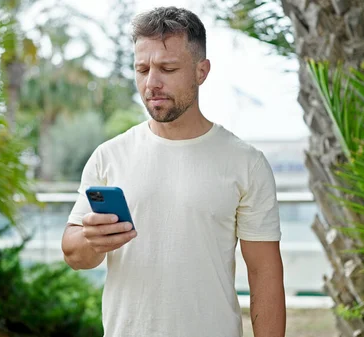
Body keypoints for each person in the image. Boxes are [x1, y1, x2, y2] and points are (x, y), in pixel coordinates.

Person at [61, 6, 286, 337]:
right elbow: (74, 253)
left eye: (167, 68)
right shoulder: (109, 156)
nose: (151, 83)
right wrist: (91, 241)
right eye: (141, 69)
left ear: (201, 71)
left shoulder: (246, 162)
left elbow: (264, 274)